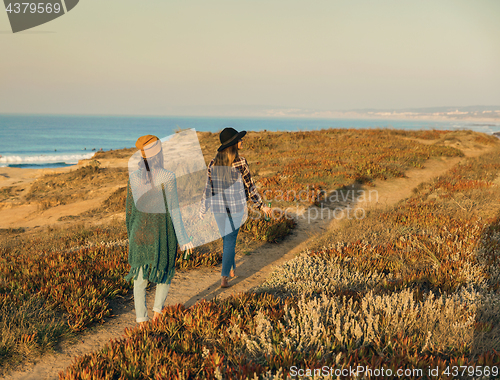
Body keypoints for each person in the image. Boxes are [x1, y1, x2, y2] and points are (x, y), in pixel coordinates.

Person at [125, 135, 193, 326]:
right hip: (162, 233)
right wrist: (184, 238)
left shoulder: (133, 178)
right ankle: (157, 314)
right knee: (164, 271)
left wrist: (131, 236)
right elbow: (174, 211)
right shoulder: (167, 177)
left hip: (139, 233)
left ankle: (141, 321)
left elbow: (129, 213)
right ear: (159, 153)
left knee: (139, 278)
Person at [199, 128, 271, 288]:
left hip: (218, 209)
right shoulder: (241, 162)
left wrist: (204, 208)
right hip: (236, 208)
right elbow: (250, 186)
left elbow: (208, 188)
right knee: (229, 242)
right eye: (239, 139)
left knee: (227, 241)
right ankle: (224, 277)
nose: (242, 141)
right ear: (233, 144)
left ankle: (231, 268)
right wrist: (262, 206)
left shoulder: (213, 163)